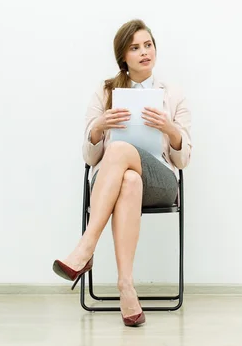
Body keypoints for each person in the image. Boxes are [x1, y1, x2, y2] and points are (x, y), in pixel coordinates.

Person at [52, 19, 192, 327]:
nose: (144, 52)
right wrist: (98, 128)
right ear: (123, 57)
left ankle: (86, 247)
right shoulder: (106, 92)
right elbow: (90, 158)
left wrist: (170, 129)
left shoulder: (173, 94)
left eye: (148, 45)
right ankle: (126, 287)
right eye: (135, 48)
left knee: (119, 151)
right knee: (128, 177)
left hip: (160, 181)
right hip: (114, 183)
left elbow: (183, 160)